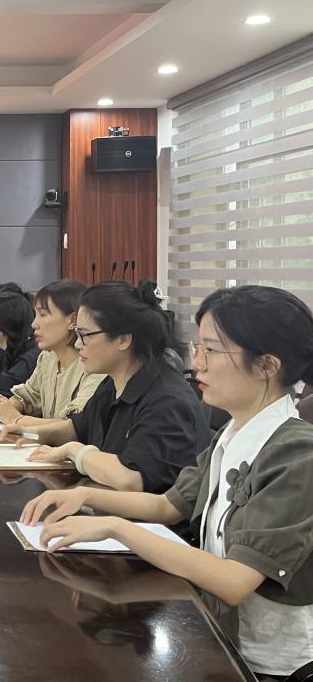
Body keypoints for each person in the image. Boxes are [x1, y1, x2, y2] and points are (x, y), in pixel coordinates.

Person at [20, 285, 313, 680]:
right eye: (198, 348)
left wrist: (115, 527)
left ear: (266, 365)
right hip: (220, 635)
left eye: (212, 351)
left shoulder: (296, 453)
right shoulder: (232, 434)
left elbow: (233, 580)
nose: (197, 365)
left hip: (268, 667)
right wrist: (82, 495)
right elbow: (168, 505)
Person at [0, 280, 209, 492]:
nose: (77, 344)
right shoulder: (113, 384)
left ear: (123, 339)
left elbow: (132, 478)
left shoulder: (166, 400)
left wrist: (74, 451)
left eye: (84, 335)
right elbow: (77, 428)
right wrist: (29, 433)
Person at [0, 279, 105, 427]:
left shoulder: (95, 366)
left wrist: (15, 419)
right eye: (35, 315)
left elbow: (75, 425)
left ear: (73, 319)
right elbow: (29, 395)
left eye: (43, 314)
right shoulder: (48, 357)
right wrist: (3, 408)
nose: (34, 324)